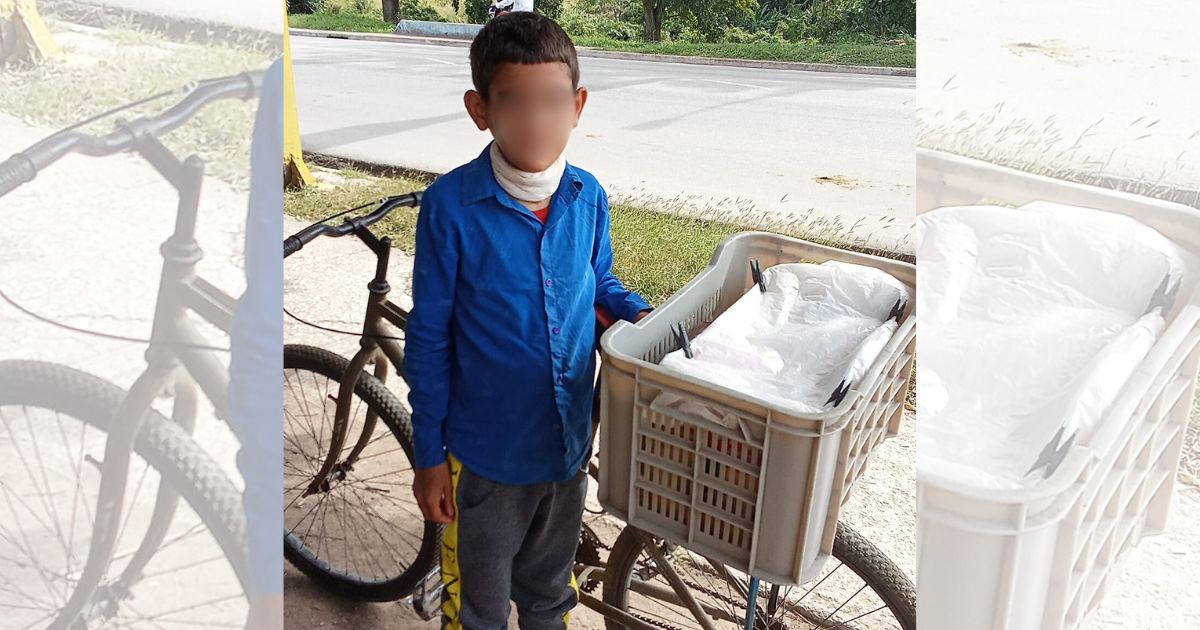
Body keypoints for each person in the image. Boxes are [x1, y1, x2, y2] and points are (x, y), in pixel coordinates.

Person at [404, 11, 651, 630]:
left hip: (567, 450)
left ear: (578, 105)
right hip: (484, 462)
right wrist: (429, 456)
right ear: (480, 108)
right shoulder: (450, 208)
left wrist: (639, 313)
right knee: (478, 608)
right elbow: (428, 336)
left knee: (549, 595)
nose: (536, 121)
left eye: (552, 101)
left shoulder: (586, 195)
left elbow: (598, 282)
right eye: (515, 103)